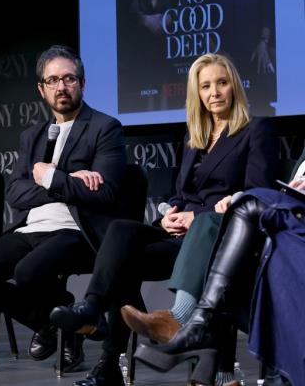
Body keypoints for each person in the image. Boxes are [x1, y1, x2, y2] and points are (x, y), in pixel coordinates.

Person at [50, 53, 278, 386]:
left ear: (235, 87)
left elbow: (257, 193)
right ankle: (94, 312)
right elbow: (181, 193)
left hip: (223, 239)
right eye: (205, 86)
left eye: (222, 83)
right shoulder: (193, 136)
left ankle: (167, 327)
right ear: (196, 93)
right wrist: (171, 212)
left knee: (151, 247)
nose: (214, 92)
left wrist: (194, 216)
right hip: (182, 237)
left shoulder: (256, 130)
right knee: (121, 236)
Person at [0, 44, 127, 372]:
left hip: (76, 231)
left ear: (82, 83)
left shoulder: (104, 128)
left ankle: (66, 323)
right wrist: (66, 183)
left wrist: (51, 178)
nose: (61, 87)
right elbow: (16, 193)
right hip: (31, 227)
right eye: (52, 81)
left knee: (28, 272)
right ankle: (62, 322)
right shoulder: (31, 136)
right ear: (41, 88)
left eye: (68, 79)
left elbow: (106, 193)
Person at [134, 148, 305, 385]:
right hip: (278, 231)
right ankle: (217, 369)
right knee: (226, 269)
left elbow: (261, 188)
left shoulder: (254, 130)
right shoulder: (193, 140)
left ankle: (188, 324)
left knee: (241, 209)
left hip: (282, 228)